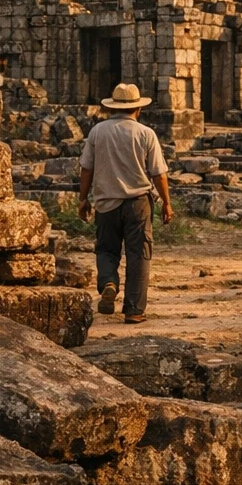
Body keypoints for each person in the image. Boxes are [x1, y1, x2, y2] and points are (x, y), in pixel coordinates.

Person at [77, 83, 174, 324]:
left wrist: (82, 199)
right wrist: (167, 204)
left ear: (111, 109)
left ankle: (109, 281)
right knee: (139, 254)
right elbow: (159, 174)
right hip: (138, 202)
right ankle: (134, 310)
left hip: (105, 202)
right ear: (138, 109)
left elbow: (86, 168)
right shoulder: (145, 133)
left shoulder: (98, 132)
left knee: (106, 249)